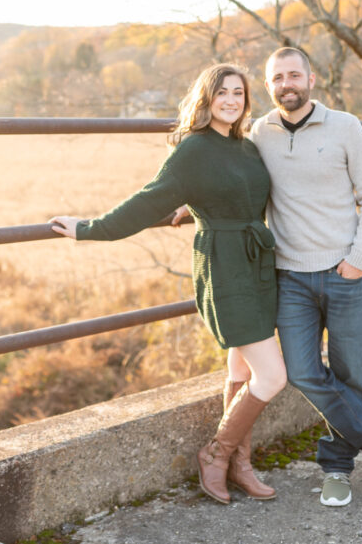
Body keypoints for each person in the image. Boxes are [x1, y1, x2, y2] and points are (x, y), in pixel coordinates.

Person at [50, 63, 286, 505]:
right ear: (206, 98)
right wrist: (88, 228)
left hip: (257, 264)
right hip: (224, 268)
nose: (232, 100)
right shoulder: (191, 151)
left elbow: (239, 194)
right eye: (222, 93)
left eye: (238, 92)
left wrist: (197, 206)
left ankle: (240, 464)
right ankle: (215, 455)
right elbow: (146, 202)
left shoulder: (246, 146)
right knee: (273, 376)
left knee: (243, 369)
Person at [248, 47, 362, 507]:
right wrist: (190, 205)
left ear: (311, 79)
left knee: (348, 373)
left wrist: (358, 257)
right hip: (290, 278)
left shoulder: (345, 126)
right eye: (277, 77)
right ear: (269, 85)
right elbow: (230, 180)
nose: (286, 83)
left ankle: (337, 467)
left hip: (344, 271)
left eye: (294, 74)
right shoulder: (260, 133)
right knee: (301, 372)